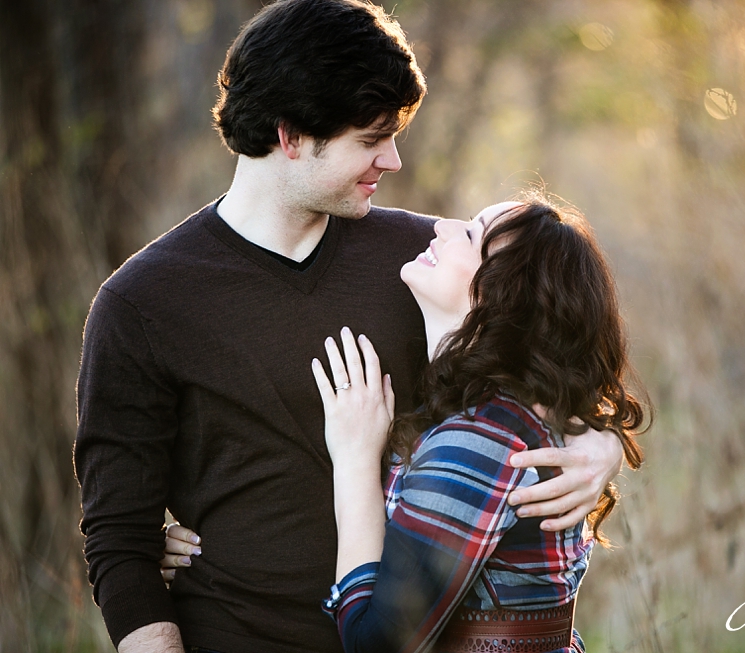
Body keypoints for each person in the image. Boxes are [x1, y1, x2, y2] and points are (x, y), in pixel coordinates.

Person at [73, 1, 626, 652]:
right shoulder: (143, 303)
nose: (392, 160)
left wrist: (597, 444)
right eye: (370, 139)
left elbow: (555, 354)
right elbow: (121, 544)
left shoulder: (426, 262)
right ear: (291, 137)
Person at [167, 199, 648, 653]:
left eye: (471, 235)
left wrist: (355, 460)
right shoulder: (489, 418)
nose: (441, 226)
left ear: (503, 296)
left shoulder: (482, 440)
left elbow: (375, 643)